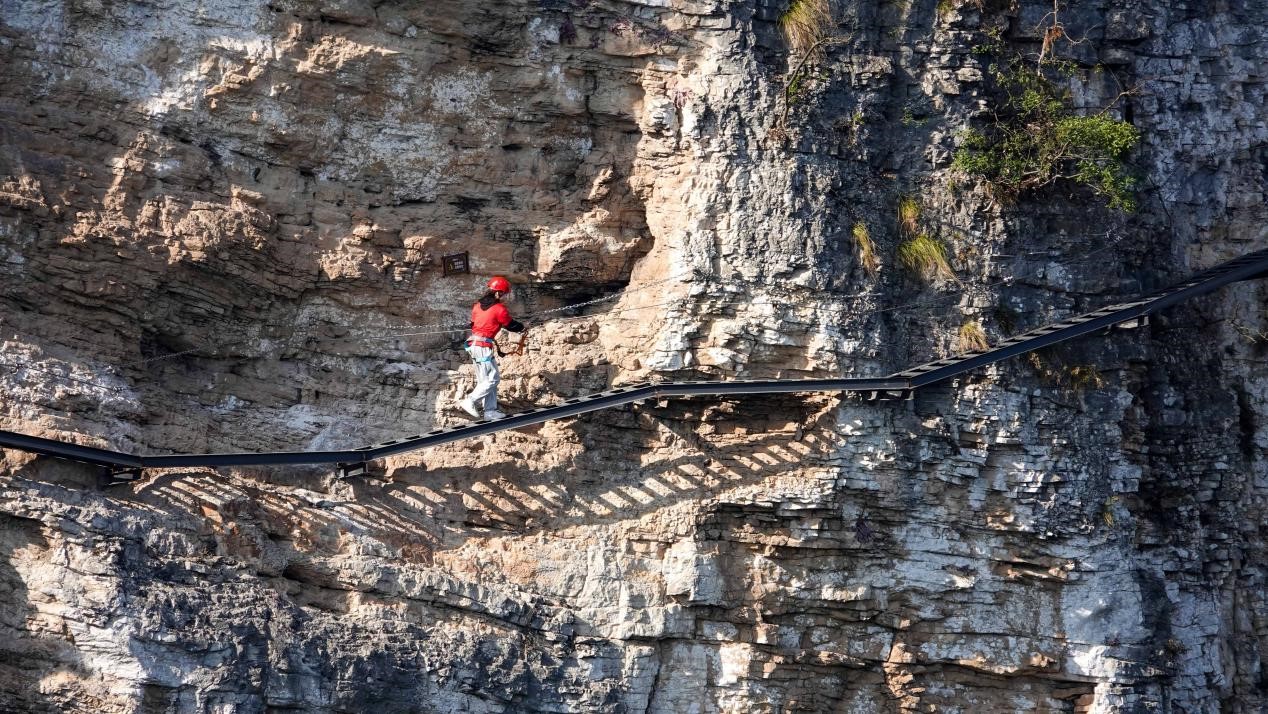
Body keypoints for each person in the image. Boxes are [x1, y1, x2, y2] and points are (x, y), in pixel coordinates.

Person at [458, 276, 525, 420]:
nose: (506, 297)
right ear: (498, 293)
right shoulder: (499, 309)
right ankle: (470, 400)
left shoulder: (477, 306)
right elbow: (510, 325)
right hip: (482, 347)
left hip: (474, 345)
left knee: (485, 381)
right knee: (493, 378)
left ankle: (490, 411)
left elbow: (473, 323)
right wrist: (523, 327)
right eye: (505, 294)